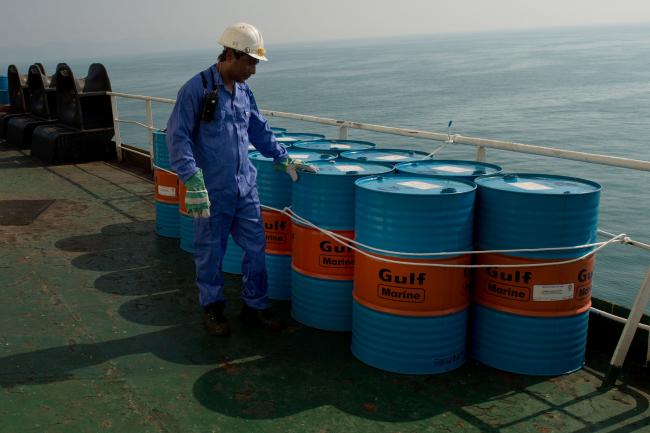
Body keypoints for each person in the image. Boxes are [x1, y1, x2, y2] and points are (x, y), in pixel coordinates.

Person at [166, 22, 315, 336]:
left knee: (256, 247)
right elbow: (177, 138)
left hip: (245, 187)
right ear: (230, 55)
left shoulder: (245, 91)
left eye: (255, 63)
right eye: (249, 62)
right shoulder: (196, 89)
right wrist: (192, 180)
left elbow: (258, 129)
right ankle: (213, 309)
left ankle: (254, 306)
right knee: (210, 251)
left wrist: (281, 156)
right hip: (211, 190)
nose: (253, 70)